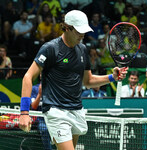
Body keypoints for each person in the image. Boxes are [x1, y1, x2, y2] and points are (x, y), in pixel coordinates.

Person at [18, 10, 128, 150]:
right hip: (56, 111)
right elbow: (28, 77)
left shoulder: (82, 49)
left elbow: (88, 81)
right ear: (67, 27)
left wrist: (113, 77)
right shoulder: (50, 48)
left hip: (76, 110)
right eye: (78, 31)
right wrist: (24, 112)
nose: (82, 35)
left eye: (83, 31)